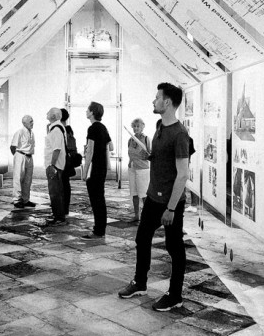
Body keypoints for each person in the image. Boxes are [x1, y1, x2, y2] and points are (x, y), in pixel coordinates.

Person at [118, 82, 191, 311]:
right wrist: (151, 156)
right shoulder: (159, 126)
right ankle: (140, 282)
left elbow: (182, 175)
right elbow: (162, 158)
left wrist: (170, 209)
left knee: (174, 247)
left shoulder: (180, 134)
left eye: (157, 97)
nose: (153, 101)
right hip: (153, 197)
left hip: (171, 203)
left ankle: (175, 295)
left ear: (167, 102)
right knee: (142, 238)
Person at [82, 101, 112, 239]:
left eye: (88, 109)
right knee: (100, 198)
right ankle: (100, 229)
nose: (86, 111)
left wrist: (84, 170)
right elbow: (110, 146)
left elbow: (90, 152)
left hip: (95, 168)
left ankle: (98, 230)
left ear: (92, 112)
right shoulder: (103, 127)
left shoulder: (93, 128)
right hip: (102, 168)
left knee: (96, 200)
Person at [43, 107, 66, 225]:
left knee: (54, 191)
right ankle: (57, 214)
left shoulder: (56, 130)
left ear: (53, 116)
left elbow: (56, 149)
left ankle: (59, 217)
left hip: (54, 166)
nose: (46, 114)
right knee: (55, 191)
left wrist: (52, 165)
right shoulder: (56, 128)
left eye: (48, 112)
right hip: (54, 165)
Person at [125, 118, 150, 222]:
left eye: (138, 126)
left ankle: (146, 217)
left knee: (144, 194)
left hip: (142, 169)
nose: (136, 128)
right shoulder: (130, 140)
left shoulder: (146, 138)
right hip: (132, 168)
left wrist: (146, 155)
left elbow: (150, 153)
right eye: (134, 126)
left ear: (142, 127)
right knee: (134, 193)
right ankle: (137, 216)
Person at [10, 115, 35, 209]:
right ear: (24, 123)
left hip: (29, 156)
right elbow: (12, 146)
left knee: (28, 179)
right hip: (20, 155)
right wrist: (17, 157)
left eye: (32, 121)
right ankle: (17, 200)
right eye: (30, 121)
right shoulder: (19, 132)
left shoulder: (32, 133)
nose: (32, 123)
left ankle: (26, 199)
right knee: (18, 178)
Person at [60, 108, 74, 220]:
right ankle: (65, 207)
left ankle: (63, 207)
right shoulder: (69, 129)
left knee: (62, 184)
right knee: (66, 184)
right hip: (68, 160)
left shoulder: (60, 129)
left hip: (63, 160)